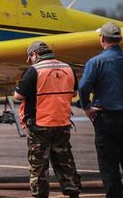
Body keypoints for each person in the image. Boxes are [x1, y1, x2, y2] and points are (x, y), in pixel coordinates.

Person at [14, 40, 81, 198]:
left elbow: (18, 96)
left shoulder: (34, 70)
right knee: (65, 160)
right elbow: (73, 93)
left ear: (34, 54)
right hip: (62, 122)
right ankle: (73, 192)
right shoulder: (68, 68)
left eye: (30, 57)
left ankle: (40, 195)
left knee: (38, 164)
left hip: (40, 124)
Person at [79, 21, 123, 198]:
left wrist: (86, 107)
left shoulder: (95, 62)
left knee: (109, 166)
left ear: (103, 39)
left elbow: (83, 87)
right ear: (119, 39)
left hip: (107, 119)